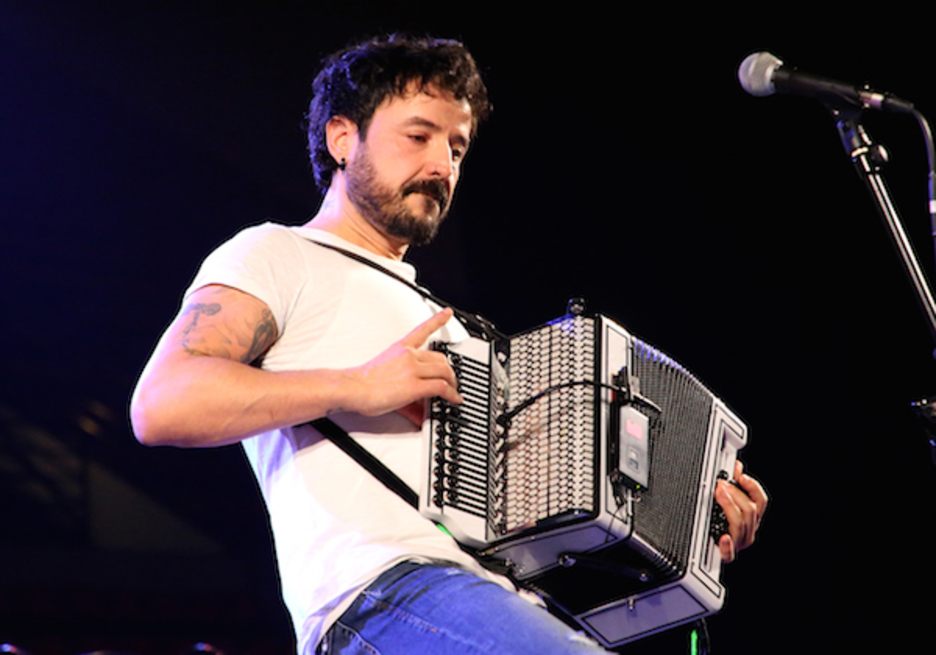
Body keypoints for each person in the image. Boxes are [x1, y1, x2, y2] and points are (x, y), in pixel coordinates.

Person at [130, 34, 768, 655]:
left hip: (490, 596)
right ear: (342, 138)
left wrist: (693, 523)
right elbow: (162, 403)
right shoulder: (278, 252)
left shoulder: (456, 328)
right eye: (418, 136)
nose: (442, 165)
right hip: (384, 594)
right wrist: (356, 386)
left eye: (456, 147)